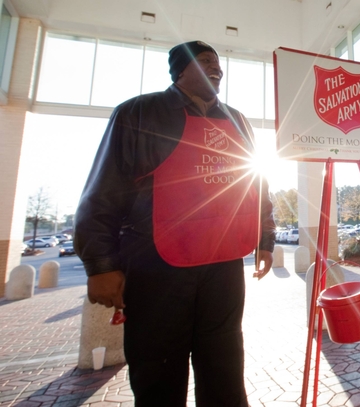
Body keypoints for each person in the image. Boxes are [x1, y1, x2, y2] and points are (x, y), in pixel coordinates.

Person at [74, 40, 276, 407]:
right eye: (204, 62)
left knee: (225, 359)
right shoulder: (138, 112)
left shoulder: (237, 119)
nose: (216, 69)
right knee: (158, 366)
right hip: (155, 261)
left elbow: (255, 183)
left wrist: (266, 237)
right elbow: (105, 188)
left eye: (218, 64)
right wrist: (100, 264)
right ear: (180, 70)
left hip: (223, 261)